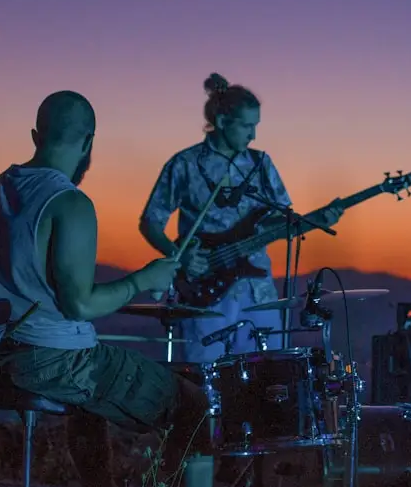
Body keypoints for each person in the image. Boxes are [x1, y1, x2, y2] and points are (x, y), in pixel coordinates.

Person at [0, 90, 214, 487]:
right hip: (50, 359)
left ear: (35, 135)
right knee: (194, 407)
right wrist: (143, 280)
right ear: (89, 143)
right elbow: (79, 304)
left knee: (92, 395)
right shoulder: (70, 203)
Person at [138, 73, 343, 363]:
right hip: (204, 293)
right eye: (247, 126)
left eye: (255, 126)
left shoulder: (261, 164)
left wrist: (316, 219)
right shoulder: (184, 163)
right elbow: (150, 221)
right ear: (222, 122)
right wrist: (179, 256)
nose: (253, 135)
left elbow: (278, 222)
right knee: (206, 379)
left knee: (270, 379)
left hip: (258, 292)